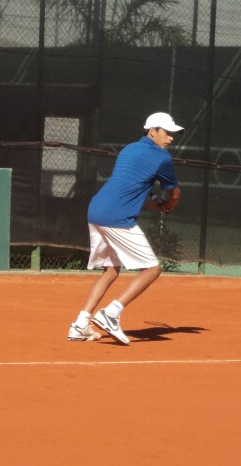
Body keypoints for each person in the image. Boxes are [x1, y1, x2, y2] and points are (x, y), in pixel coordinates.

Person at [67, 111, 183, 345]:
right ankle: (112, 313)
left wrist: (157, 205)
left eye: (172, 134)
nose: (171, 138)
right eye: (167, 133)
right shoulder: (162, 158)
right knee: (152, 269)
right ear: (153, 132)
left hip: (96, 209)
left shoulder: (129, 149)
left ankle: (80, 324)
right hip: (117, 217)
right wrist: (169, 204)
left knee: (111, 270)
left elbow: (132, 190)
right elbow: (175, 192)